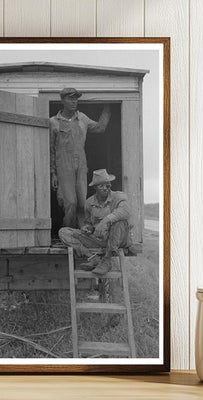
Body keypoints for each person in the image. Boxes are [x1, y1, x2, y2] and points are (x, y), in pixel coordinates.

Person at [50, 87, 111, 228]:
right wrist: (53, 173)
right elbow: (51, 150)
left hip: (81, 166)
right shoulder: (54, 122)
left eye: (76, 98)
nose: (74, 101)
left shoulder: (82, 118)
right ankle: (68, 233)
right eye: (70, 98)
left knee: (83, 203)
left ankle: (80, 234)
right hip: (63, 168)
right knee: (70, 202)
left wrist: (108, 108)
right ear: (62, 100)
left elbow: (100, 128)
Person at [59, 169, 132, 275]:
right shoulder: (89, 203)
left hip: (119, 239)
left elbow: (126, 211)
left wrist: (106, 221)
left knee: (119, 222)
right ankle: (93, 258)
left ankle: (107, 260)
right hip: (100, 239)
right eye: (101, 186)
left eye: (107, 185)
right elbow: (89, 222)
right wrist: (87, 228)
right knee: (64, 232)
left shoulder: (119, 196)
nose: (105, 188)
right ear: (95, 188)